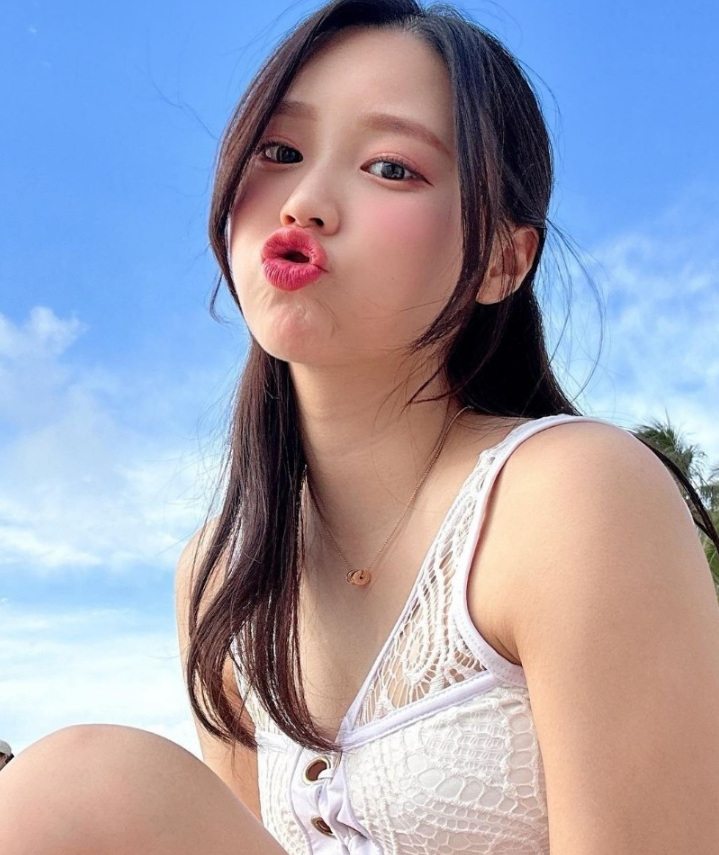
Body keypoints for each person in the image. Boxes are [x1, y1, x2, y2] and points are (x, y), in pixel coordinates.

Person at [1, 1, 719, 853]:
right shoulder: (220, 577)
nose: (303, 203)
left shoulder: (571, 494)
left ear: (502, 259)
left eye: (389, 167)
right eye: (279, 153)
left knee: (85, 783)